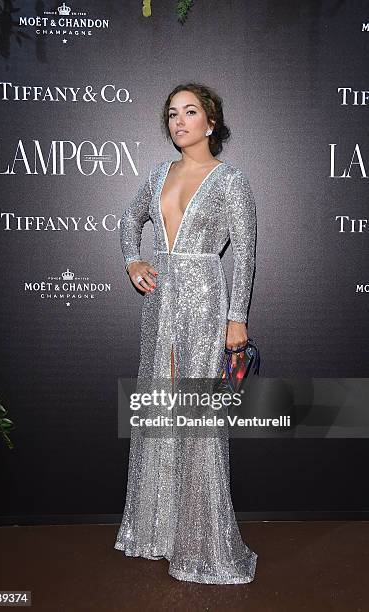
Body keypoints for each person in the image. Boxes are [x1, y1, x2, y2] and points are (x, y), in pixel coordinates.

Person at [114, 82, 258, 584]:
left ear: (210, 122)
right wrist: (134, 260)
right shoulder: (158, 174)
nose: (179, 121)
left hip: (204, 302)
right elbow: (131, 221)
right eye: (172, 113)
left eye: (190, 112)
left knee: (196, 420)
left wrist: (235, 317)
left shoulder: (230, 182)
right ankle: (158, 531)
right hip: (161, 304)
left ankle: (203, 545)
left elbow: (244, 252)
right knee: (162, 410)